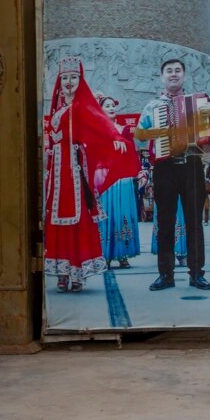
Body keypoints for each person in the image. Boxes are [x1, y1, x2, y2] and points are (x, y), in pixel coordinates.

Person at [43, 57, 138, 292]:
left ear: (80, 80)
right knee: (57, 220)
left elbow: (101, 123)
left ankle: (77, 272)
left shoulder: (82, 107)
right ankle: (62, 270)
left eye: (73, 77)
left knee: (78, 219)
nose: (68, 82)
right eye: (64, 78)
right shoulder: (57, 109)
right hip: (56, 173)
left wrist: (115, 137)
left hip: (75, 172)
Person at [136, 58, 210, 292]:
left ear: (184, 76)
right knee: (165, 222)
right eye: (169, 71)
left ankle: (197, 274)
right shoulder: (153, 106)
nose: (173, 74)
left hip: (192, 165)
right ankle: (166, 274)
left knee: (195, 221)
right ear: (162, 77)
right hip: (165, 167)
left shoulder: (199, 103)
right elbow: (140, 134)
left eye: (177, 71)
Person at [95, 93, 145, 269]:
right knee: (107, 216)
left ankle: (123, 254)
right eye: (106, 106)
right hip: (106, 179)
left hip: (123, 179)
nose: (111, 108)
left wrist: (140, 173)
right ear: (100, 109)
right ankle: (105, 254)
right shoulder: (97, 130)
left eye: (112, 105)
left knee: (124, 215)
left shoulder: (124, 130)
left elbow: (132, 154)